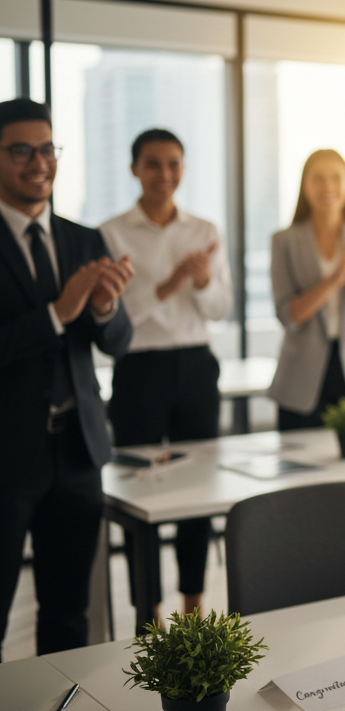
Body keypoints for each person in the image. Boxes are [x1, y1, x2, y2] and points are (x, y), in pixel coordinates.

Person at [0, 98, 134, 657]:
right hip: (6, 459)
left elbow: (117, 340)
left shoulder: (85, 240)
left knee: (69, 619)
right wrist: (60, 310)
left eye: (48, 148)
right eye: (21, 150)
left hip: (77, 455)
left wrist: (103, 307)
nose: (39, 162)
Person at [99, 128, 232, 624]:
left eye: (174, 164)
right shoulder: (112, 233)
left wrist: (198, 283)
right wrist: (173, 282)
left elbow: (220, 307)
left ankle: (193, 602)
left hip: (196, 365)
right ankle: (146, 609)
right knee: (140, 491)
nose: (165, 175)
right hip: (139, 369)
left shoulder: (204, 230)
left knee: (198, 488)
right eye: (153, 164)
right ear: (135, 168)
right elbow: (118, 314)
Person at [268, 149, 345, 430]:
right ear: (304, 185)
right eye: (318, 178)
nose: (328, 187)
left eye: (336, 177)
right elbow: (289, 315)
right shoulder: (284, 241)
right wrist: (335, 279)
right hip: (301, 378)